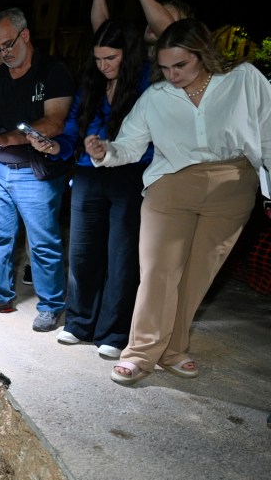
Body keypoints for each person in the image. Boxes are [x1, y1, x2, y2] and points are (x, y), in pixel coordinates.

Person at [85, 19, 271, 385]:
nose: (172, 75)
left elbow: (268, 136)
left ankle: (173, 350)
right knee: (158, 273)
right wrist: (106, 151)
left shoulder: (244, 80)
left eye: (180, 65)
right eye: (166, 67)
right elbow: (129, 147)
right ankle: (139, 353)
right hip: (170, 186)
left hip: (232, 187)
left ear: (202, 54)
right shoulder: (156, 97)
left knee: (197, 277)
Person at [31, 19, 150, 360]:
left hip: (130, 174)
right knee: (82, 253)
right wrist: (56, 148)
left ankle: (113, 332)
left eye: (111, 58)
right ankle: (80, 322)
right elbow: (71, 133)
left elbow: (149, 140)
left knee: (121, 256)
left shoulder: (146, 84)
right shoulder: (91, 85)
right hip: (87, 174)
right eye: (98, 59)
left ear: (128, 55)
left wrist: (111, 149)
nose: (104, 66)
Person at [0, 7, 75, 332]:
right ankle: (0, 294)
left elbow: (55, 121)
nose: (4, 53)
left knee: (43, 243)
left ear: (25, 34)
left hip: (35, 172)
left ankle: (52, 305)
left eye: (8, 44)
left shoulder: (53, 70)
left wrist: (8, 138)